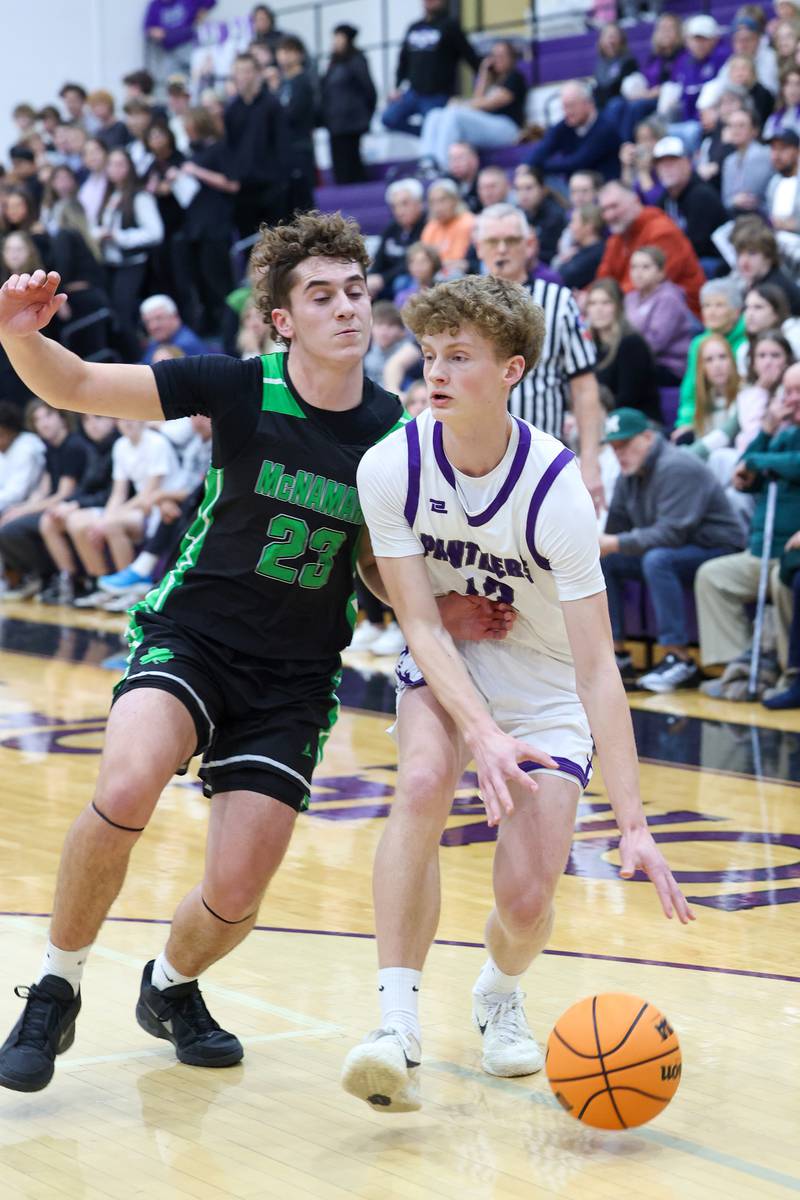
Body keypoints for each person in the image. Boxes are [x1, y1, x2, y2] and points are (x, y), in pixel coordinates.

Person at [0, 211, 507, 1094]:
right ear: (283, 319)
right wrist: (18, 336)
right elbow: (78, 382)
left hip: (295, 676)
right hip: (192, 636)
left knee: (235, 893)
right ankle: (56, 984)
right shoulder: (239, 385)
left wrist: (438, 605)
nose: (347, 308)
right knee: (124, 787)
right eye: (321, 295)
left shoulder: (396, 430)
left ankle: (170, 986)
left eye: (355, 291)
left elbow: (370, 564)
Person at [341, 276, 692, 1114]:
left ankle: (499, 991)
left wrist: (635, 825)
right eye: (430, 353)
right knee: (423, 784)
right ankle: (395, 1023)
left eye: (460, 355)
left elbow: (599, 667)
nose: (437, 370)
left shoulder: (556, 490)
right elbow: (418, 624)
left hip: (544, 684)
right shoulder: (390, 464)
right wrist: (481, 734)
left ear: (511, 369)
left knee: (528, 898)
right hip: (452, 655)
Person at [600, 407, 746, 691]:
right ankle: (616, 654)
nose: (620, 454)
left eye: (626, 445)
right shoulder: (627, 475)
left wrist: (615, 542)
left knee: (657, 560)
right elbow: (615, 532)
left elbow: (671, 533)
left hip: (717, 548)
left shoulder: (677, 466)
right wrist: (605, 545)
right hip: (674, 550)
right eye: (615, 447)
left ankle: (679, 658)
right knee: (607, 560)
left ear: (648, 437)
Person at [474, 203, 605, 509]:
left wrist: (590, 461)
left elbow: (584, 386)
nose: (502, 249)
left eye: (512, 240)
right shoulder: (461, 305)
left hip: (542, 460)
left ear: (529, 244)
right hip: (472, 463)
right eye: (493, 242)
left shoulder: (558, 301)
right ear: (479, 248)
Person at [695, 366, 800, 681]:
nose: (791, 400)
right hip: (761, 552)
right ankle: (738, 668)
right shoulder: (786, 434)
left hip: (789, 556)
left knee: (785, 578)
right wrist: (766, 431)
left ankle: (787, 672)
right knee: (712, 577)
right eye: (788, 392)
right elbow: (746, 472)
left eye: (798, 392)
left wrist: (758, 462)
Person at [0, 401, 88, 601]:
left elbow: (64, 493)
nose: (43, 424)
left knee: (13, 528)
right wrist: (20, 508)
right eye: (37, 420)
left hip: (76, 504)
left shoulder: (72, 446)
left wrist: (22, 512)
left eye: (47, 416)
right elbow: (45, 490)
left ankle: (66, 580)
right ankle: (43, 577)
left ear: (62, 417)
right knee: (9, 521)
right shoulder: (50, 448)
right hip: (56, 504)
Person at [597, 181, 706, 317]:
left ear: (635, 200)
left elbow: (645, 284)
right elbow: (604, 278)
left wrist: (602, 300)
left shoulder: (662, 232)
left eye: (614, 206)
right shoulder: (617, 238)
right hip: (637, 309)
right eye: (604, 210)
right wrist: (590, 295)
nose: (609, 215)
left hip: (681, 316)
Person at [418, 39, 526, 169]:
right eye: (494, 55)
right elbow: (478, 100)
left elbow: (491, 103)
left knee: (454, 115)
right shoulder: (492, 80)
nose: (497, 59)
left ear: (511, 58)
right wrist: (484, 72)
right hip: (489, 125)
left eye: (501, 55)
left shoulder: (515, 77)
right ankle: (427, 163)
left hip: (508, 128)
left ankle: (443, 166)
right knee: (434, 114)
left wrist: (461, 105)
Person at [383, 0, 481, 135]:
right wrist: (397, 87)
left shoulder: (450, 26)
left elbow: (470, 57)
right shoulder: (414, 27)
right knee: (388, 118)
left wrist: (486, 79)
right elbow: (403, 60)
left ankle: (432, 137)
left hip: (438, 94)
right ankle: (428, 135)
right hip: (413, 91)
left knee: (434, 127)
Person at [224, 51, 288, 238]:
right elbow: (230, 146)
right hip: (243, 187)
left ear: (257, 73)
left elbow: (282, 143)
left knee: (275, 241)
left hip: (271, 184)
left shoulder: (272, 104)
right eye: (238, 71)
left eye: (247, 71)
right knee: (248, 244)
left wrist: (281, 179)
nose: (243, 76)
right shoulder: (232, 110)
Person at [675, 277, 747, 437]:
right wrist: (685, 422)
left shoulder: (747, 341)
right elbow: (690, 390)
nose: (711, 312)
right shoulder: (699, 343)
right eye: (706, 306)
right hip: (703, 420)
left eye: (719, 305)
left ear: (736, 311)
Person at [587, 279, 662, 420]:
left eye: (606, 303)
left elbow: (627, 399)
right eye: (593, 303)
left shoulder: (631, 343)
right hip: (601, 419)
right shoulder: (589, 345)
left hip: (637, 423)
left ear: (619, 307)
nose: (599, 309)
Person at [624, 246, 698, 385]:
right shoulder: (630, 298)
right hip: (638, 360)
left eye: (645, 267)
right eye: (634, 267)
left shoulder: (669, 298)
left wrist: (624, 353)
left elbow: (656, 342)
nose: (638, 273)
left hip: (669, 365)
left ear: (661, 272)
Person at [653, 135, 729, 272]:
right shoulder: (666, 199)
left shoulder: (701, 195)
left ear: (688, 163)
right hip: (684, 259)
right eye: (661, 164)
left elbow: (697, 246)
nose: (667, 168)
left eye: (672, 162)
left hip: (713, 262)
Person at [528, 81, 621, 181]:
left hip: (604, 188)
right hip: (575, 189)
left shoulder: (605, 128)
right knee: (531, 178)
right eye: (564, 107)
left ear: (588, 103)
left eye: (571, 105)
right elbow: (542, 148)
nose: (567, 112)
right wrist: (527, 165)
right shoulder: (565, 125)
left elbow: (578, 162)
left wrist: (538, 167)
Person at [320, 24, 377, 185]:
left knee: (351, 160)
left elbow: (369, 90)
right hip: (334, 122)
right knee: (338, 162)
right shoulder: (333, 63)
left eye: (339, 38)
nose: (335, 42)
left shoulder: (357, 60)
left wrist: (366, 116)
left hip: (352, 122)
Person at [367, 179, 427, 300]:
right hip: (386, 281)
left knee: (401, 282)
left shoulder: (427, 226)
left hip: (410, 278)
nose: (399, 211)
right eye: (395, 206)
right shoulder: (391, 227)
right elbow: (379, 259)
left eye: (405, 203)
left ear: (419, 203)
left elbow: (411, 264)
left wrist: (383, 279)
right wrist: (371, 278)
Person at [721, 108, 774, 217]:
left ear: (754, 130)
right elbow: (725, 199)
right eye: (732, 126)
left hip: (763, 217)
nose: (736, 131)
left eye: (741, 126)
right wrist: (734, 201)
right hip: (736, 217)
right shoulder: (729, 161)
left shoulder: (767, 154)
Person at [513, 164, 567, 265]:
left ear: (542, 189)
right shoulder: (518, 213)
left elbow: (547, 255)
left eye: (528, 188)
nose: (523, 194)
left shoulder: (555, 216)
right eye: (518, 189)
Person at [420, 179, 474, 275]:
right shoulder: (430, 226)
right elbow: (423, 258)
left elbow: (458, 259)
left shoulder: (467, 222)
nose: (437, 208)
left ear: (455, 200)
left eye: (442, 200)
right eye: (433, 202)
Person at [593, 23, 639, 112]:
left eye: (614, 36)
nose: (611, 41)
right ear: (601, 41)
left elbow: (619, 90)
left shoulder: (629, 61)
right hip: (602, 104)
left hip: (621, 105)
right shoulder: (600, 63)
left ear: (621, 40)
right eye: (607, 36)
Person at [558, 204, 605, 290]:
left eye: (574, 221)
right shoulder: (579, 250)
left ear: (589, 226)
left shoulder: (596, 254)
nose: (570, 226)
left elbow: (563, 278)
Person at [447, 141, 481, 213]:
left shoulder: (484, 182)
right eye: (451, 158)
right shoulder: (446, 182)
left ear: (474, 160)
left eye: (460, 158)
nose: (455, 163)